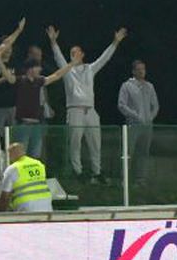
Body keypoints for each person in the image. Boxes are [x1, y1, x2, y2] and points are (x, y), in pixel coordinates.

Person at [48, 25, 128, 182]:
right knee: (75, 142)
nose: (73, 55)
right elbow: (58, 58)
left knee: (95, 142)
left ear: (82, 54)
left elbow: (105, 58)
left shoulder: (90, 69)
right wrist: (53, 42)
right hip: (74, 110)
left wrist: (115, 42)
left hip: (90, 111)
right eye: (71, 53)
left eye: (76, 52)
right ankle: (78, 173)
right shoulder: (67, 70)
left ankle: (96, 172)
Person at [10, 59, 71, 159]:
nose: (40, 69)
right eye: (38, 67)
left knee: (35, 154)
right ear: (31, 69)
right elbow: (9, 78)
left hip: (37, 124)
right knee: (20, 155)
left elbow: (56, 75)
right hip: (23, 124)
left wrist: (71, 64)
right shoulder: (20, 80)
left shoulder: (39, 81)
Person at [118, 60, 160, 186]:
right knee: (128, 152)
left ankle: (141, 179)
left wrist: (150, 118)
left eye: (144, 69)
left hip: (147, 126)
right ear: (134, 71)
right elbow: (122, 105)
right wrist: (135, 116)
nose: (142, 71)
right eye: (139, 69)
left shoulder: (150, 86)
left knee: (144, 152)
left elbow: (156, 105)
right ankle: (124, 179)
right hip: (133, 125)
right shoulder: (127, 86)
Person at [0, 142, 52, 212]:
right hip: (46, 205)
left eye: (9, 154)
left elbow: (5, 196)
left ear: (11, 154)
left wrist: (0, 214)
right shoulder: (39, 164)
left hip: (26, 208)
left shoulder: (13, 168)